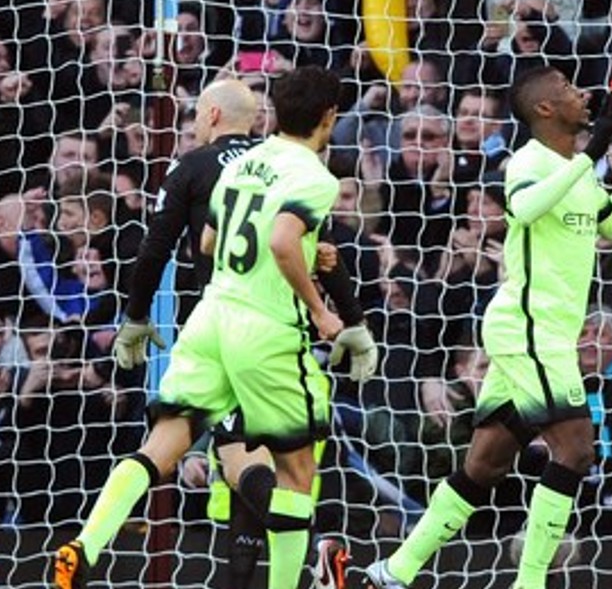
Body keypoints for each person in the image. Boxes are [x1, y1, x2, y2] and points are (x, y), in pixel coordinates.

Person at [53, 67, 378, 589]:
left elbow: (204, 244)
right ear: (329, 117)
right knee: (295, 471)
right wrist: (323, 311)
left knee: (163, 444)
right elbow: (282, 242)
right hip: (266, 331)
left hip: (209, 319)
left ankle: (84, 544)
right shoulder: (316, 176)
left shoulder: (244, 163)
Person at [362, 65, 612, 589]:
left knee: (484, 464)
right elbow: (527, 207)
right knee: (576, 449)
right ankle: (529, 583)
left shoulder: (574, 169)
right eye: (570, 90)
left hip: (542, 333)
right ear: (545, 110)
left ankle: (392, 571)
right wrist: (594, 149)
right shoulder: (527, 163)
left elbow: (611, 222)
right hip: (529, 328)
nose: (584, 94)